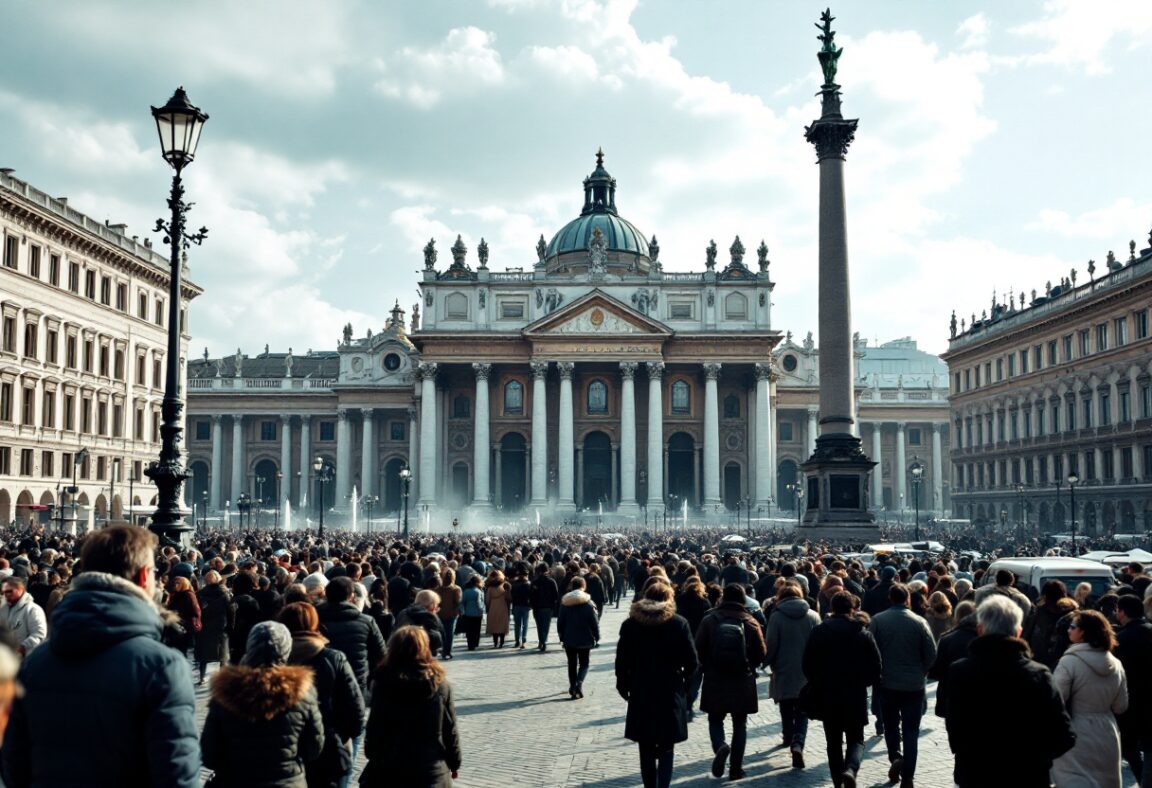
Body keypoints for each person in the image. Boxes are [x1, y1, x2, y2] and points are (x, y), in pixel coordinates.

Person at [2, 526, 201, 787]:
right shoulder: (162, 667)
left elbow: (14, 766)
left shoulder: (35, 664)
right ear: (143, 577)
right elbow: (177, 775)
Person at [945, 595, 1075, 788]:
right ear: (1018, 631)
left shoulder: (960, 672)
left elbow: (955, 728)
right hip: (1027, 775)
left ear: (980, 630)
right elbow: (1063, 734)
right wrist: (1037, 758)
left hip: (976, 774)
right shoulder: (1038, 674)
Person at [202, 621, 325, 788]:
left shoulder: (225, 691)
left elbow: (209, 754)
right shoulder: (303, 692)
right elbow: (314, 748)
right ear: (286, 650)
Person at [616, 581, 698, 788]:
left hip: (641, 688)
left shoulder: (630, 625)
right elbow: (692, 662)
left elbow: (622, 660)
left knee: (645, 746)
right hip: (669, 689)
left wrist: (624, 685)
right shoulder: (678, 623)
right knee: (666, 745)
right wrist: (685, 686)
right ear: (669, 598)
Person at [359, 626, 462, 787]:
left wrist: (373, 754)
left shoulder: (383, 683)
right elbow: (450, 729)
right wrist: (455, 762)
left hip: (392, 767)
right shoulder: (440, 685)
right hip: (431, 769)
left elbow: (375, 726)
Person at [279, 602, 365, 788]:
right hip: (329, 750)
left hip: (283, 752)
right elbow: (355, 711)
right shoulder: (332, 658)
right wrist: (339, 736)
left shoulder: (273, 660)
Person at [803, 591, 882, 788]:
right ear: (853, 609)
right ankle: (851, 769)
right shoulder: (862, 633)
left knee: (833, 741)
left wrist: (817, 681)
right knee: (856, 738)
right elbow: (876, 666)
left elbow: (807, 663)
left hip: (827, 693)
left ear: (832, 608)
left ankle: (838, 781)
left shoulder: (819, 631)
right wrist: (863, 682)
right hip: (854, 693)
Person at [694, 583, 767, 781]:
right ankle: (736, 769)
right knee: (740, 724)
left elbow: (697, 647)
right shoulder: (750, 621)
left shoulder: (710, 619)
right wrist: (750, 665)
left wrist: (707, 665)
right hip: (742, 679)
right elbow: (762, 653)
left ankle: (720, 746)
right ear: (743, 599)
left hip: (715, 677)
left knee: (715, 719)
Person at [1052, 609, 1129, 788]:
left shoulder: (1068, 662)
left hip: (1074, 730)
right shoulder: (1116, 663)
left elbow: (1056, 700)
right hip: (1107, 731)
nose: (1068, 630)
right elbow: (1121, 706)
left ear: (1083, 632)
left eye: (1073, 626)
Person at [869, 583, 936, 788]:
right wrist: (921, 671)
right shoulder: (920, 622)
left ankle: (895, 756)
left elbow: (871, 651)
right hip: (913, 684)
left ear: (890, 598)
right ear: (907, 598)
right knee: (911, 731)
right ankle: (908, 776)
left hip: (887, 682)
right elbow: (931, 654)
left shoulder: (878, 621)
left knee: (890, 725)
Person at [764, 581, 820, 769]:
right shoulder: (813, 616)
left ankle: (788, 735)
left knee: (786, 703)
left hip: (784, 666)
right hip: (807, 669)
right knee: (803, 710)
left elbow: (771, 643)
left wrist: (766, 662)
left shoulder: (776, 617)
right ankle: (798, 742)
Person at [1115, 594, 1152, 787]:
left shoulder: (1121, 640)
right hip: (1148, 700)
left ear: (1121, 612)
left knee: (1130, 748)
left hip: (1131, 701)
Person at [674, 576, 712, 719]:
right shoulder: (705, 602)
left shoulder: (679, 600)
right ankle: (689, 700)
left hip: (681, 641)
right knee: (697, 674)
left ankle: (684, 696)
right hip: (700, 643)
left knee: (681, 672)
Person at [557, 576, 600, 699]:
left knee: (571, 663)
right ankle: (579, 683)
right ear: (584, 586)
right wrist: (597, 636)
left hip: (569, 638)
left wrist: (561, 636)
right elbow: (594, 622)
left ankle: (572, 686)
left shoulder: (565, 603)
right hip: (585, 637)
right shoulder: (589, 603)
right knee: (584, 663)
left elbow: (560, 622)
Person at [197, 569, 235, 684]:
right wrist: (231, 626)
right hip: (221, 626)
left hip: (205, 626)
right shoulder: (226, 593)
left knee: (203, 654)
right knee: (222, 654)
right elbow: (231, 611)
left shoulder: (200, 593)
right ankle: (222, 679)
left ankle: (202, 677)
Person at [0, 578, 46, 656]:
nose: (5, 594)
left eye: (9, 591)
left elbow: (39, 635)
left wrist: (22, 647)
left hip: (24, 659)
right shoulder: (3, 607)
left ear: (20, 589)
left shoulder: (33, 609)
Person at [395, 589, 446, 657]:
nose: (437, 608)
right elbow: (436, 641)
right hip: (421, 656)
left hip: (401, 653)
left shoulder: (403, 612)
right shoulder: (429, 617)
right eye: (437, 605)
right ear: (432, 605)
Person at [166, 574, 202, 657]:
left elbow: (196, 612)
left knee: (181, 652)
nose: (175, 585)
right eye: (175, 583)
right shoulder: (175, 594)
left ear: (184, 584)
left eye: (178, 583)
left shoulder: (188, 595)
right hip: (174, 626)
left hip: (183, 628)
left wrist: (181, 616)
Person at [530, 562, 560, 652]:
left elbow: (531, 595)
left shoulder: (535, 582)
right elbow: (556, 595)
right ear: (547, 570)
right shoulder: (551, 581)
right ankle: (544, 641)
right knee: (546, 626)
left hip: (537, 607)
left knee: (539, 626)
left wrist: (532, 605)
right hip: (548, 607)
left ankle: (542, 641)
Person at [437, 569, 462, 659]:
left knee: (442, 632)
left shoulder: (439, 589)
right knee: (449, 632)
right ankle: (448, 651)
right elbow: (458, 601)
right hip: (452, 613)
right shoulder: (456, 589)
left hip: (441, 613)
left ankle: (443, 649)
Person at [484, 570, 511, 649]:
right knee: (501, 625)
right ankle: (502, 642)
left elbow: (487, 600)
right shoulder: (504, 586)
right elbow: (507, 598)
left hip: (493, 607)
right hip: (503, 606)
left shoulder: (490, 588)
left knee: (494, 625)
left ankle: (495, 643)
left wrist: (487, 608)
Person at [509, 565, 532, 649]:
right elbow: (531, 596)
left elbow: (511, 595)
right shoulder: (529, 584)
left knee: (517, 625)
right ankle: (523, 641)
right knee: (525, 624)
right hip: (525, 606)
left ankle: (517, 641)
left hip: (516, 606)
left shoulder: (514, 584)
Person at [459, 574, 484, 652]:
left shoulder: (466, 591)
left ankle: (470, 644)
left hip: (468, 613)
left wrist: (463, 611)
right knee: (476, 629)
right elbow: (479, 603)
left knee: (469, 630)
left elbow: (462, 602)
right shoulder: (479, 592)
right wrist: (481, 611)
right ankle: (475, 643)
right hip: (477, 614)